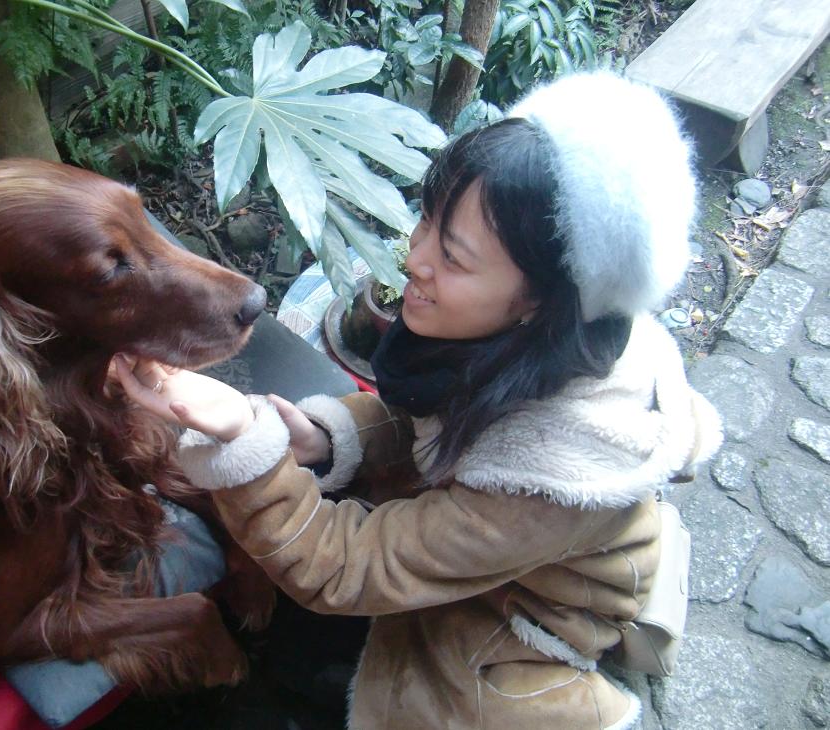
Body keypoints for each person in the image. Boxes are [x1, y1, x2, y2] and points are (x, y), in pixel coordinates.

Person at [114, 72, 721, 730]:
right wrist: (327, 438)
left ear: (540, 300)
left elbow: (347, 569)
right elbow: (430, 421)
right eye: (427, 219)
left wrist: (241, 437)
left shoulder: (547, 479)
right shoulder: (527, 340)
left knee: (427, 693)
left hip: (529, 612)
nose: (414, 259)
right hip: (493, 546)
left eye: (453, 257)